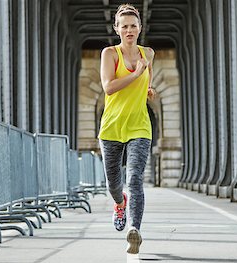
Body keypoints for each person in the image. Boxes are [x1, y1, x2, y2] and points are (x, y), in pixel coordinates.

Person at [98, 3, 156, 254]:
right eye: (125, 26)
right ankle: (119, 204)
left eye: (134, 25)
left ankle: (135, 230)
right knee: (114, 184)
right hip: (112, 127)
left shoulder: (148, 53)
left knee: (134, 179)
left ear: (140, 27)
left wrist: (148, 87)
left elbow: (148, 74)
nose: (129, 30)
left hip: (139, 127)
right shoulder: (109, 54)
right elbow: (108, 87)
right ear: (117, 29)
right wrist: (136, 75)